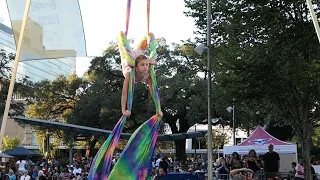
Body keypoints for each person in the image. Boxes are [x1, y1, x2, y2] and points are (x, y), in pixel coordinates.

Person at [120, 33, 163, 118]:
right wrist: (123, 110)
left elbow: (154, 92)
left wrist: (159, 109)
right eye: (143, 65)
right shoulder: (129, 74)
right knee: (122, 34)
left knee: (149, 34)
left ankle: (152, 58)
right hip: (129, 58)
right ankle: (150, 58)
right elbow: (124, 92)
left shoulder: (147, 76)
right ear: (136, 67)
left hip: (132, 56)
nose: (146, 67)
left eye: (147, 65)